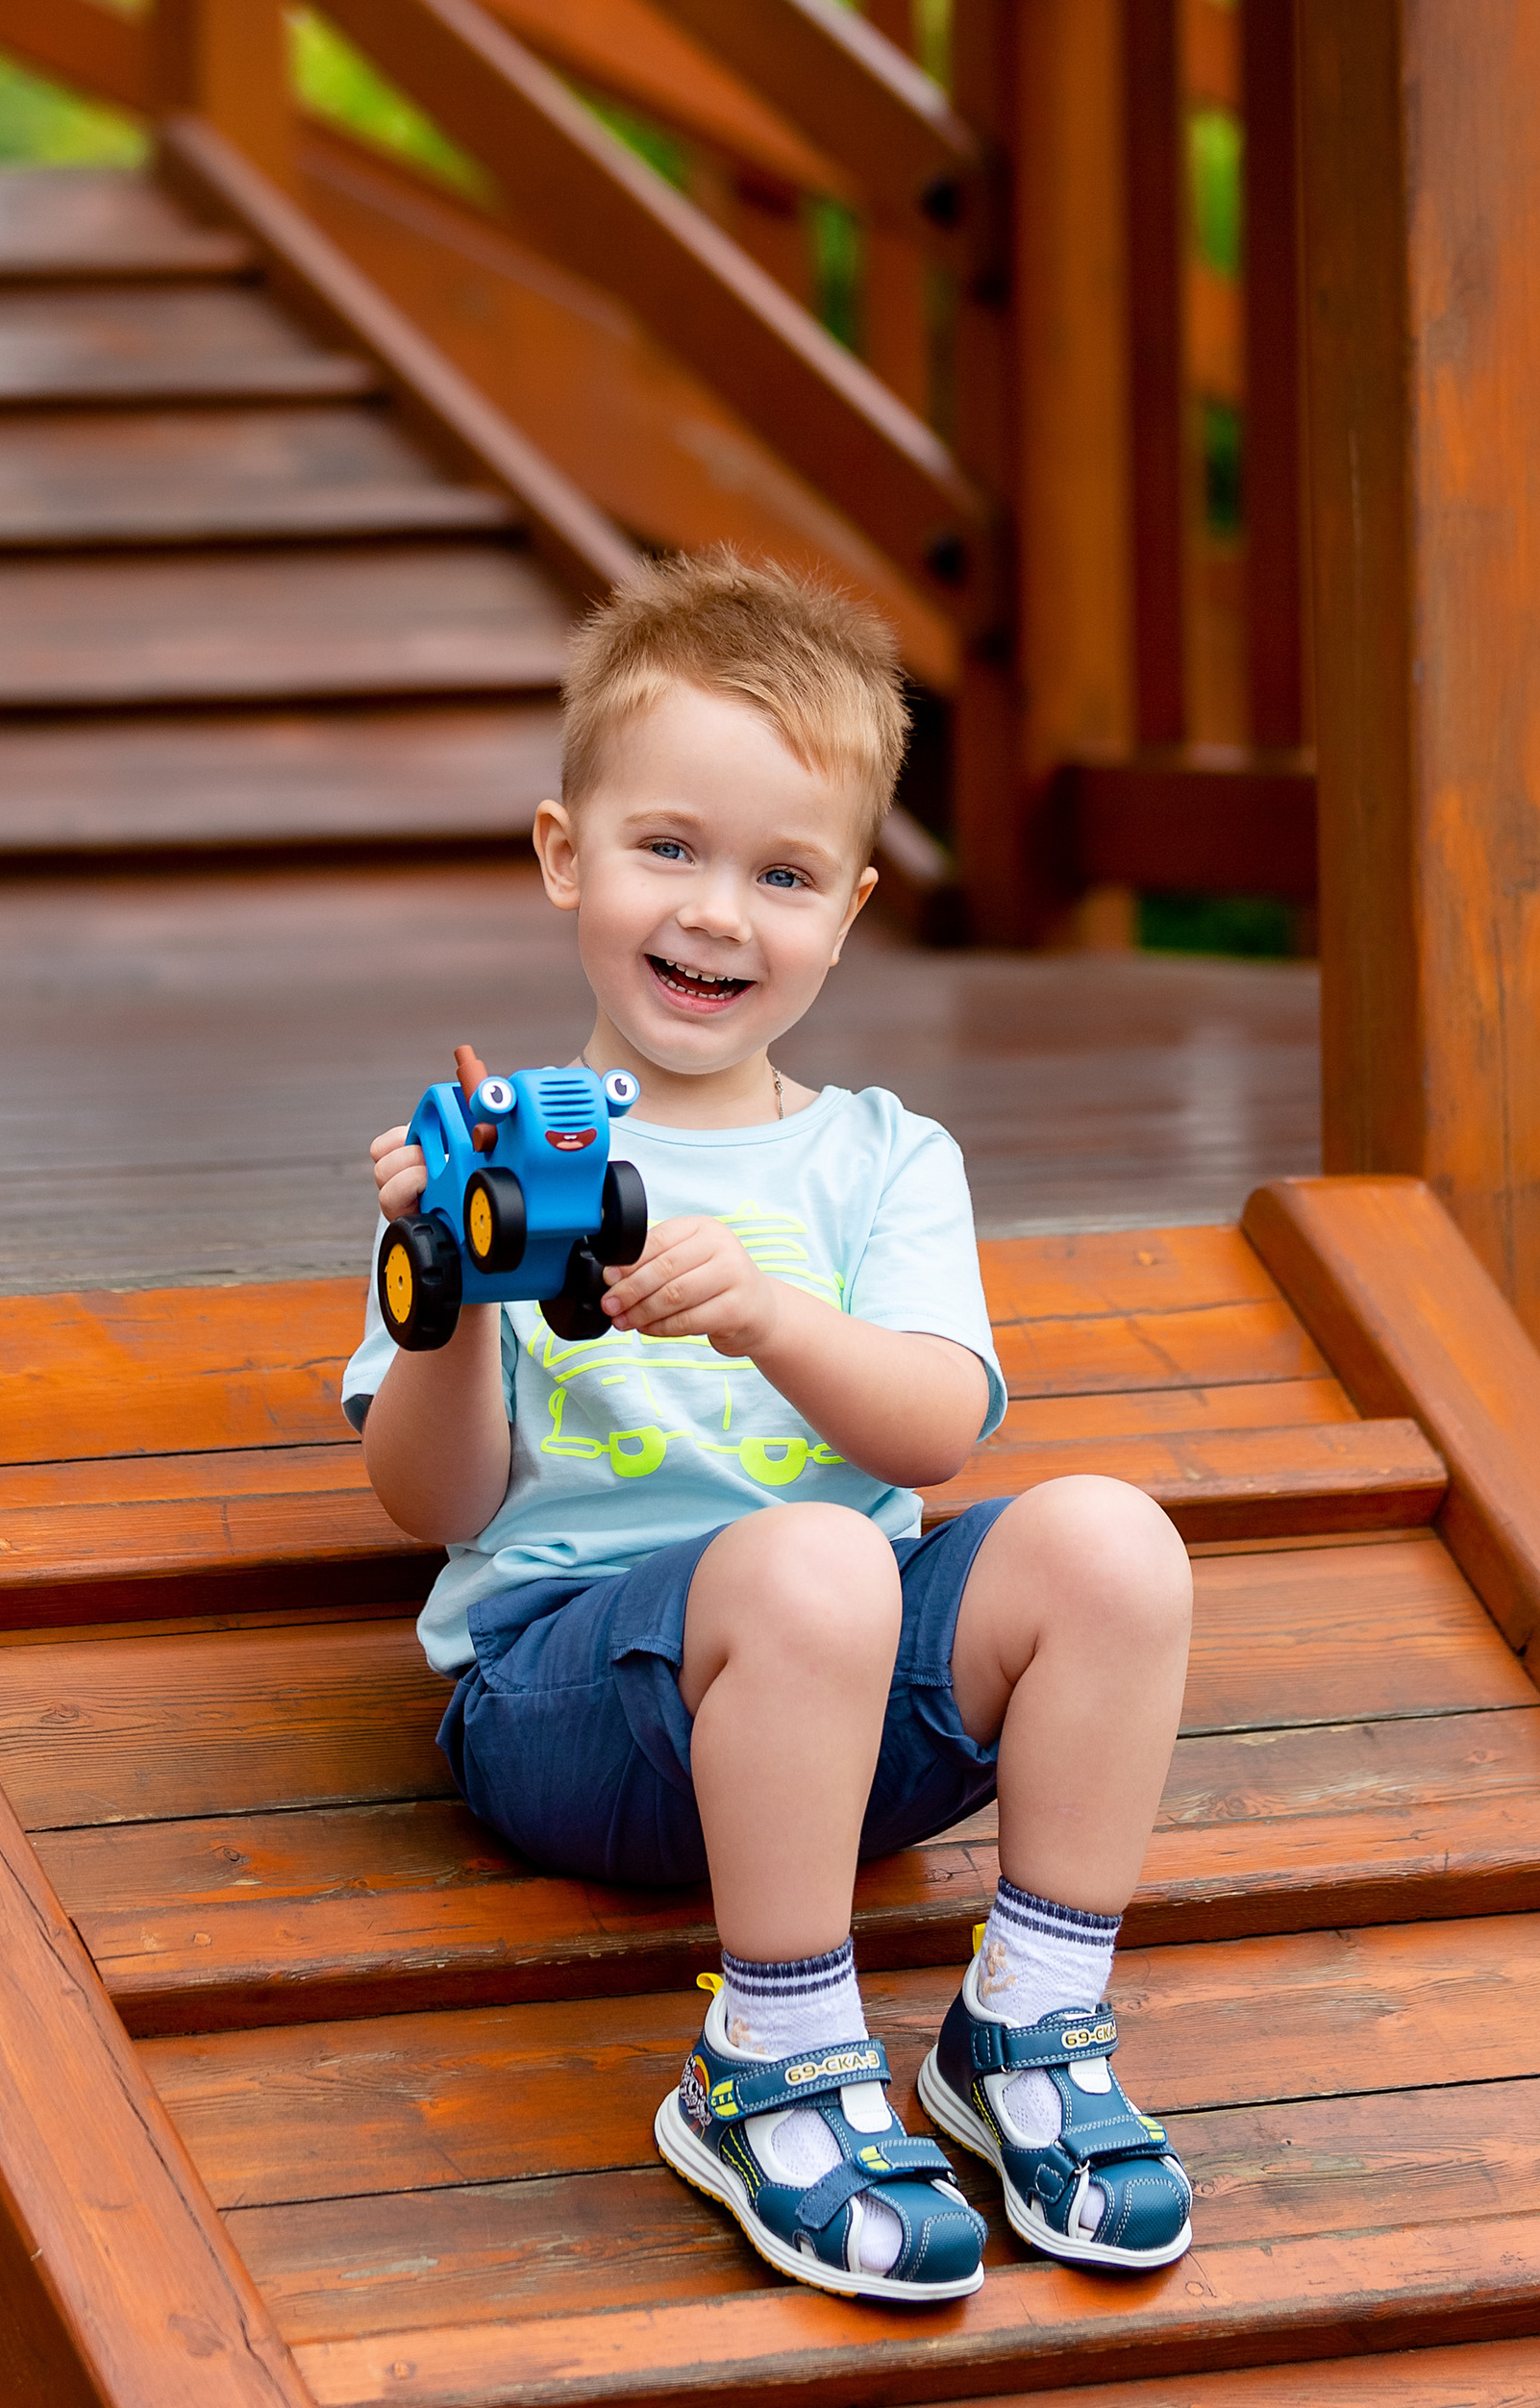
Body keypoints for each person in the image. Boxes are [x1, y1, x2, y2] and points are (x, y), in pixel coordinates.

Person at [344, 550, 1194, 2306]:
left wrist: (770, 1314)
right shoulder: (497, 1151)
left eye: (783, 874)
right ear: (568, 857)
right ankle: (771, 2062)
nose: (721, 912)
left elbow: (943, 1428)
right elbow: (432, 1501)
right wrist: (444, 1290)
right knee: (808, 1562)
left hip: (850, 1707)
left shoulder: (885, 1157)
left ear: (852, 909)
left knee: (1113, 1539)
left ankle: (1026, 2025)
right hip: (572, 1713)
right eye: (670, 849)